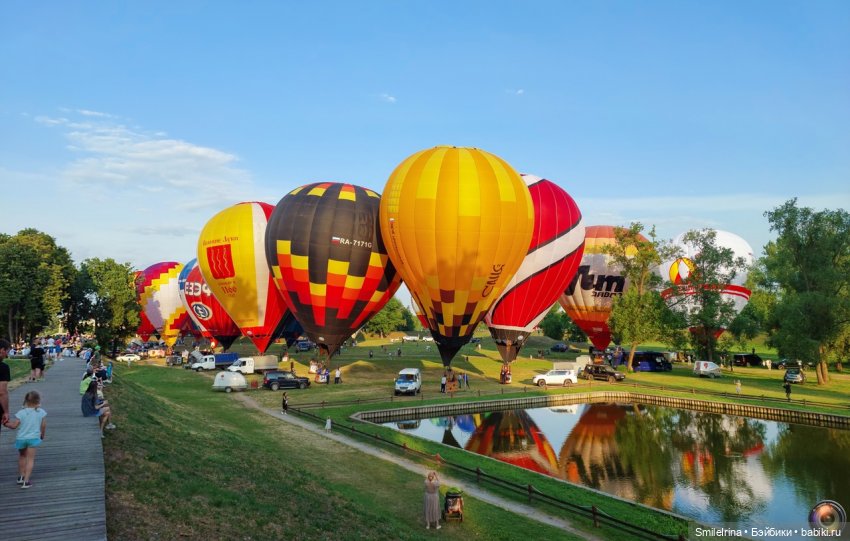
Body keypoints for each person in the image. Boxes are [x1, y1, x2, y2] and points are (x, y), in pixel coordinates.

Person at [3, 390, 47, 488]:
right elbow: (43, 425)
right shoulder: (41, 412)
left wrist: (6, 424)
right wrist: (42, 434)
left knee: (22, 456)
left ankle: (21, 477)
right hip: (33, 438)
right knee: (30, 459)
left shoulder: (21, 413)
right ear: (38, 401)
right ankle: (26, 482)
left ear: (26, 401)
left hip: (21, 438)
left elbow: (14, 426)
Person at [0, 339, 11, 441]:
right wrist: (6, 411)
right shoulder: (3, 367)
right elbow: (2, 392)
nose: (7, 355)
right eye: (7, 352)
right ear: (2, 350)